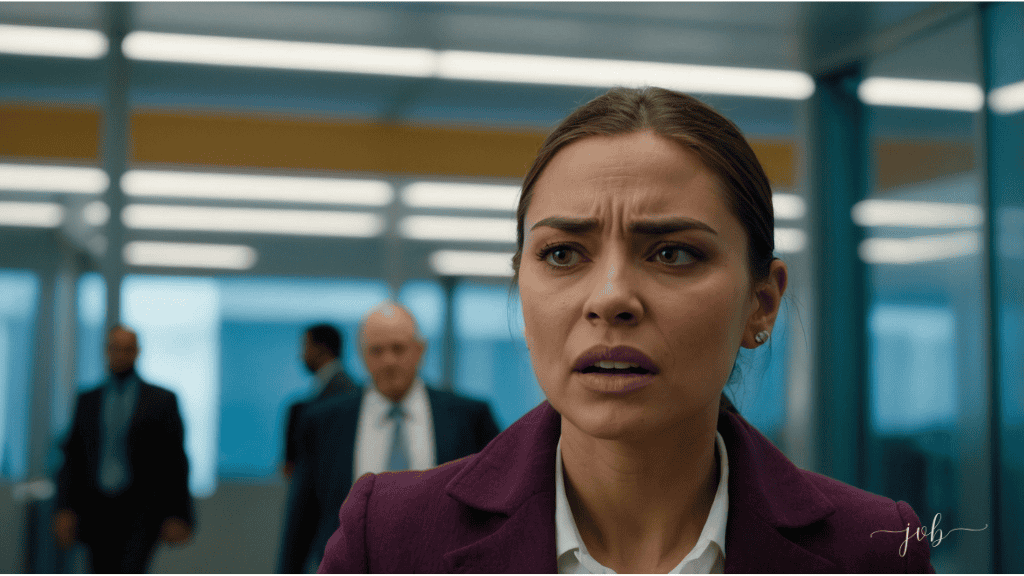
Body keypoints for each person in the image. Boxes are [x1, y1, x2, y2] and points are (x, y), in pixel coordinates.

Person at [316, 87, 935, 573]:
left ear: (762, 303)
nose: (610, 298)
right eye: (562, 254)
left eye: (672, 253)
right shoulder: (392, 541)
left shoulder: (876, 551)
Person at [278, 302, 500, 573]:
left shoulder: (469, 418)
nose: (389, 361)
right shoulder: (323, 423)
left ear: (420, 350)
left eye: (398, 348)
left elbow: (496, 504)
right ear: (361, 355)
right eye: (377, 351)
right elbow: (302, 519)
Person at [53, 325, 194, 573]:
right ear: (106, 351)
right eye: (115, 348)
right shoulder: (88, 401)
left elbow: (175, 460)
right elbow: (73, 458)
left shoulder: (161, 401)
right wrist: (65, 507)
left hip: (141, 511)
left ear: (137, 352)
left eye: (127, 349)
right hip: (96, 509)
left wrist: (180, 513)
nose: (121, 355)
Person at [283, 324, 358, 478]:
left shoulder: (342, 396)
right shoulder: (337, 389)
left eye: (305, 347)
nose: (301, 355)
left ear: (321, 349)